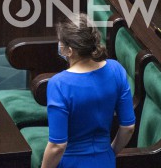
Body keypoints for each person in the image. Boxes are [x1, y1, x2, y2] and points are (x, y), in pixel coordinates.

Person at [41, 13, 135, 168]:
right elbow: (128, 127)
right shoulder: (116, 69)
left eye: (60, 41)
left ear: (69, 50)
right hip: (105, 160)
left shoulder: (59, 84)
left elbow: (57, 146)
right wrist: (110, 153)